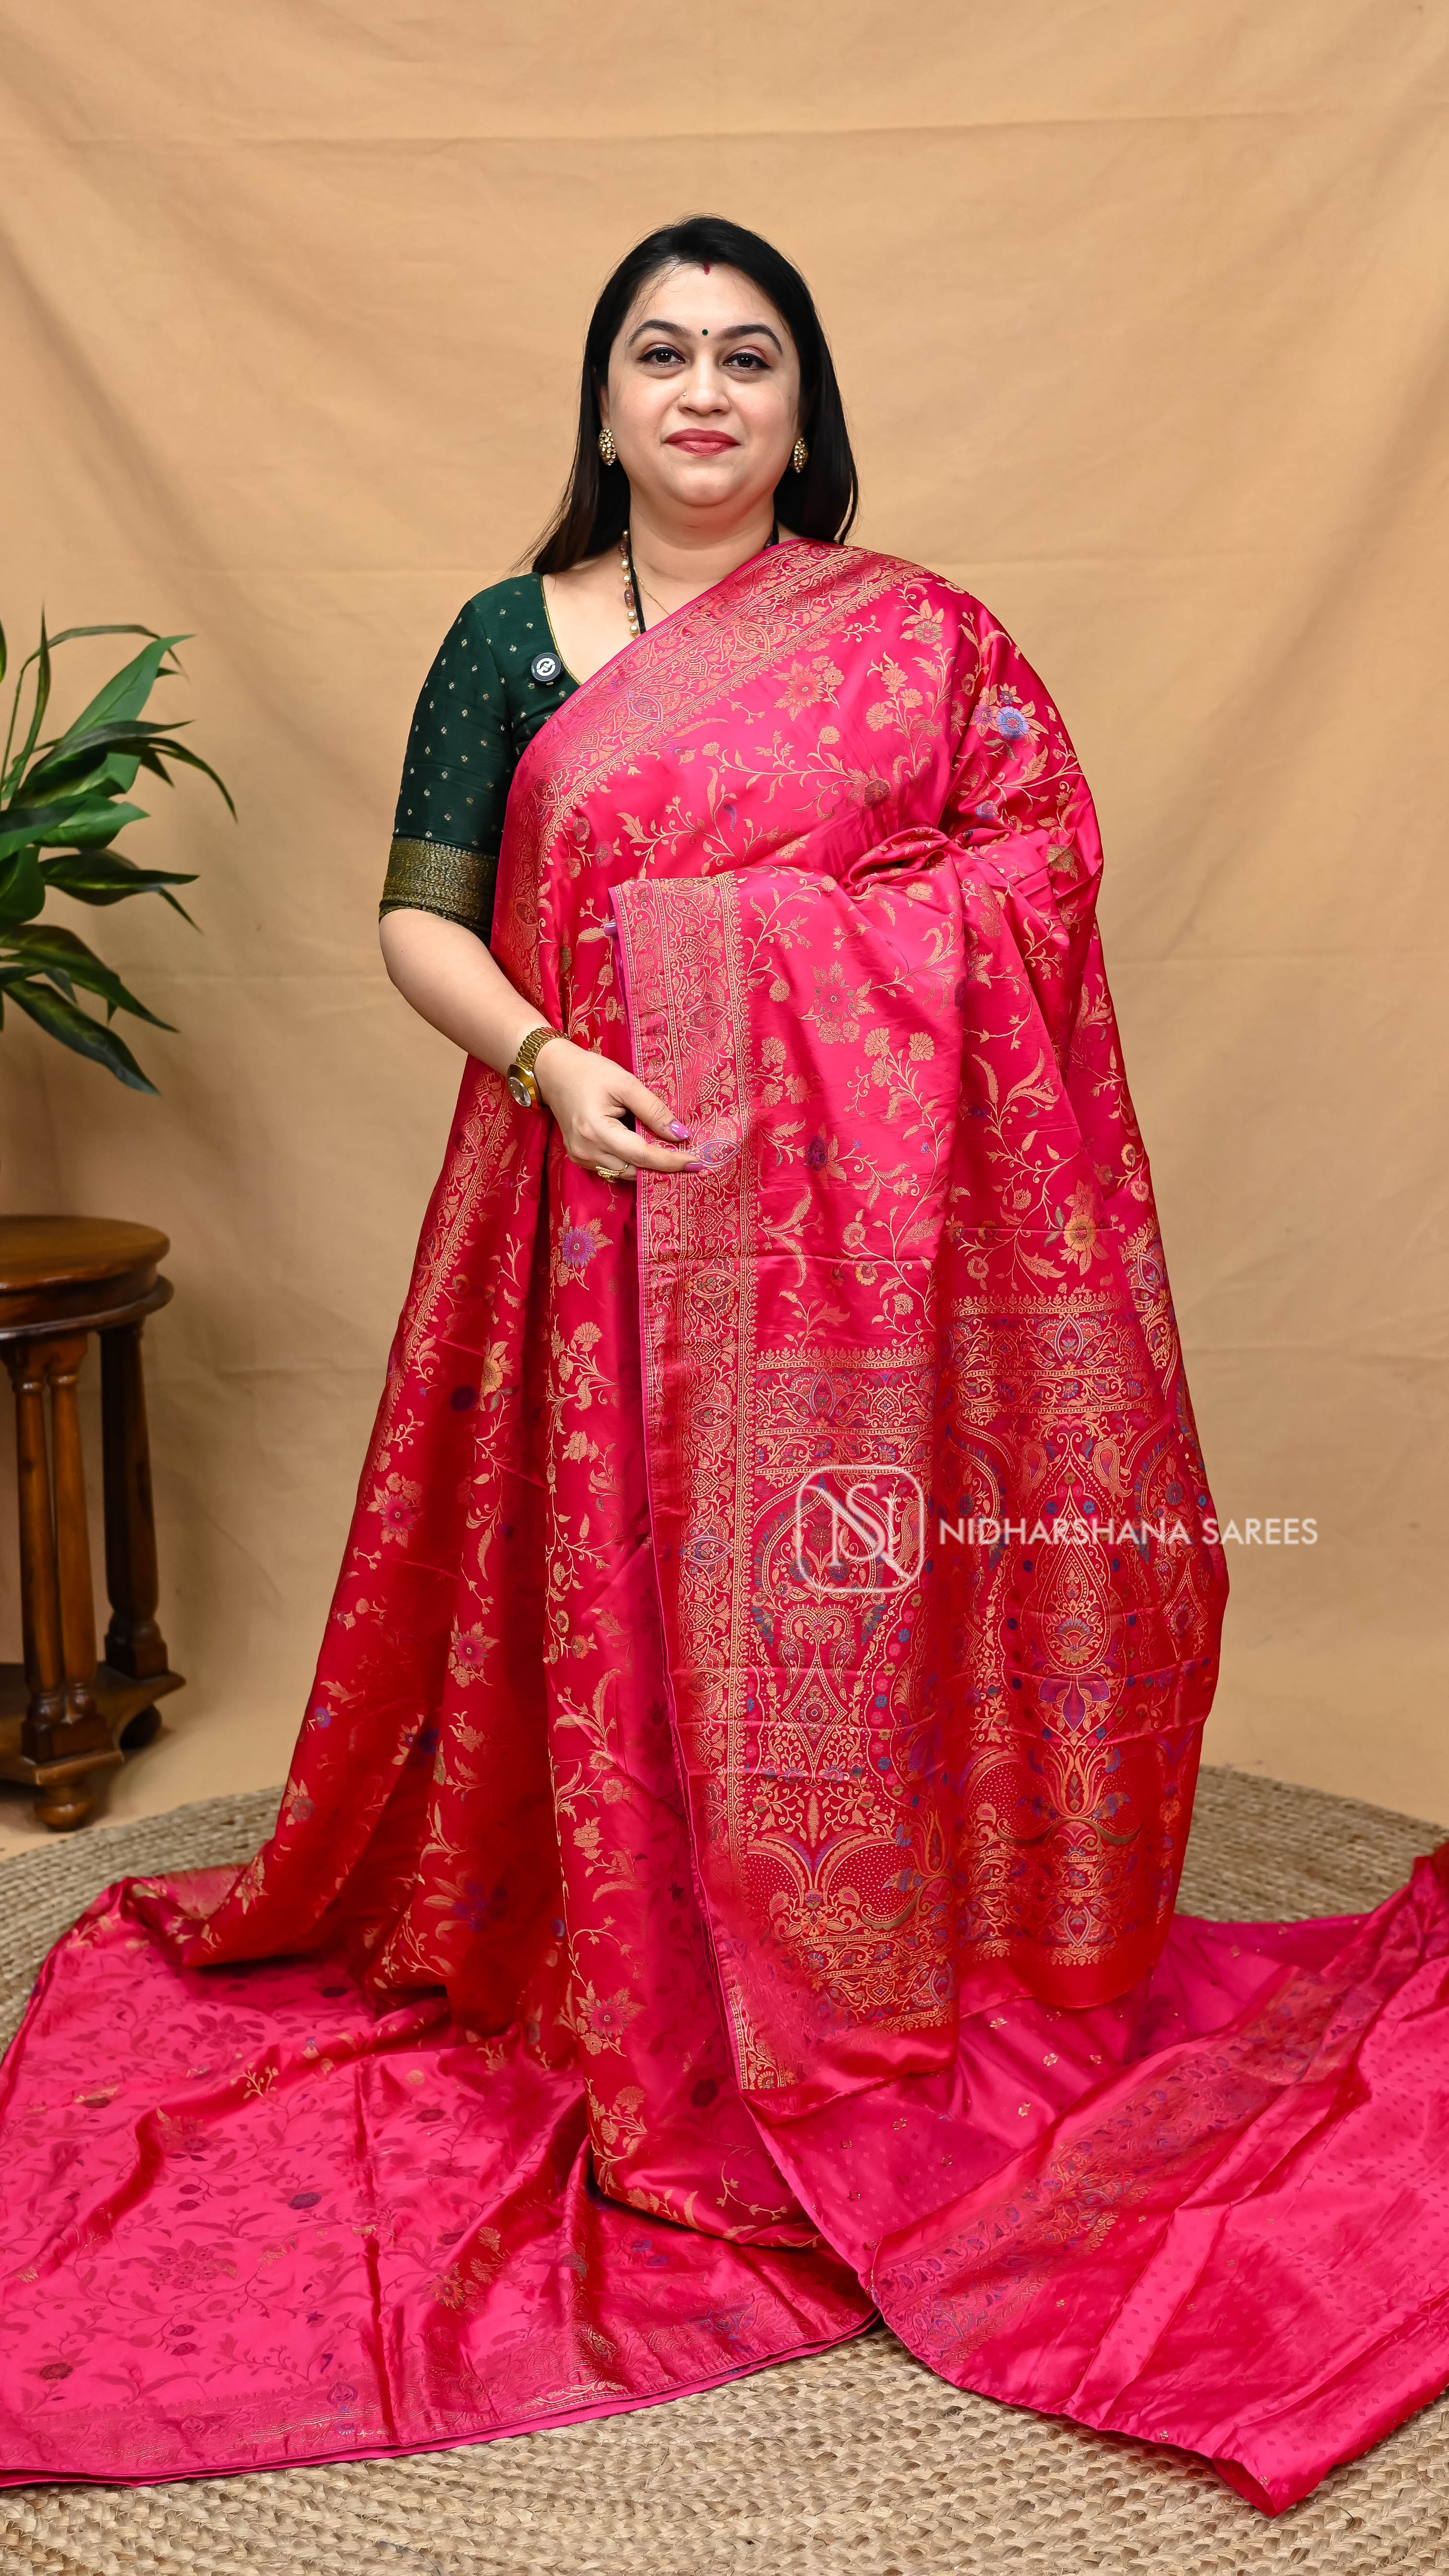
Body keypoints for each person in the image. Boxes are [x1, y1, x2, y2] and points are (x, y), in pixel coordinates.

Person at [2, 216, 1448, 2517]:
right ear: (601, 400)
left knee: (832, 1595)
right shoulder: (507, 638)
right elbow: (417, 915)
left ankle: (856, 1945)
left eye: (745, 357)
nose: (699, 392)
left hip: (859, 1268)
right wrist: (553, 1056)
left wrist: (748, 964)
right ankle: (620, 1953)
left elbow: (1035, 872)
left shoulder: (920, 643)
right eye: (658, 353)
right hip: (581, 1194)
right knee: (595, 1608)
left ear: (801, 406)